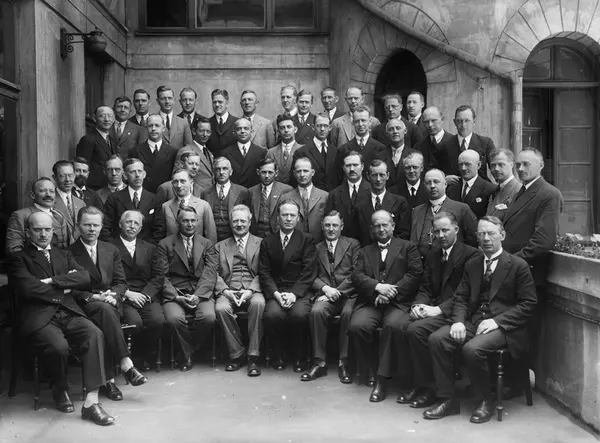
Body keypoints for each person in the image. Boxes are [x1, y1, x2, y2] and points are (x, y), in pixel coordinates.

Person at [424, 216, 537, 423]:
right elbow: (461, 297)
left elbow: (528, 304)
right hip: (475, 322)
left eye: (491, 233)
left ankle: (486, 400)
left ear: (502, 235)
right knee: (437, 340)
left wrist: (497, 322)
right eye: (481, 234)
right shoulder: (473, 264)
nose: (486, 238)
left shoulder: (517, 265)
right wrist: (458, 321)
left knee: (472, 349)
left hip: (506, 328)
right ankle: (448, 400)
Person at [9, 211, 114, 426]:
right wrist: (65, 287)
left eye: (47, 229)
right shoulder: (19, 258)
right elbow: (28, 289)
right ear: (28, 232)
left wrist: (51, 282)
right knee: (59, 347)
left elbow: (84, 277)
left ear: (53, 231)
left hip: (69, 311)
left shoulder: (63, 254)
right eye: (37, 230)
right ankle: (60, 388)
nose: (43, 234)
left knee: (94, 334)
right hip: (38, 316)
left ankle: (91, 402)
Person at [399, 212, 479, 408]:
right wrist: (418, 305)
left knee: (418, 331)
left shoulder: (471, 255)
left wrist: (438, 310)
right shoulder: (433, 254)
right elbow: (425, 287)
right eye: (436, 231)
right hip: (435, 309)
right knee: (403, 326)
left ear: (456, 230)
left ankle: (434, 389)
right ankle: (423, 385)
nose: (441, 235)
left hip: (459, 312)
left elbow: (466, 294)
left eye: (445, 230)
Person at [70, 207, 148, 402]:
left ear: (101, 226)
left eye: (96, 225)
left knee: (106, 314)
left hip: (111, 302)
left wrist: (114, 295)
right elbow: (71, 289)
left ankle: (110, 379)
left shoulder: (110, 249)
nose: (92, 229)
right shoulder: (69, 253)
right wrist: (94, 297)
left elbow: (121, 282)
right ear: (78, 226)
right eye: (87, 225)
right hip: (85, 304)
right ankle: (125, 365)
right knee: (104, 314)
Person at [348, 210, 422, 402]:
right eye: (377, 226)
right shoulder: (365, 251)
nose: (381, 229)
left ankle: (382, 381)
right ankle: (371, 370)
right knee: (358, 326)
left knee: (393, 327)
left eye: (385, 225)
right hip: (372, 301)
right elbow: (357, 275)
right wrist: (377, 287)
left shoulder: (408, 247)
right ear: (372, 229)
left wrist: (391, 292)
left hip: (398, 302)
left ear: (393, 226)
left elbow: (414, 274)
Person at [156, 206, 218, 371]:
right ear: (178, 222)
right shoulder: (165, 244)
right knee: (174, 319)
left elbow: (210, 273)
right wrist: (175, 296)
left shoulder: (207, 244)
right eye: (185, 220)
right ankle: (188, 355)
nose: (190, 224)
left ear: (197, 222)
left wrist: (198, 295)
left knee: (208, 317)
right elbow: (161, 276)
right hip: (175, 293)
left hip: (200, 292)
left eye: (192, 220)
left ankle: (188, 351)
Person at [301, 211, 360, 384]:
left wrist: (338, 291)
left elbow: (357, 274)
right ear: (322, 226)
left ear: (342, 226)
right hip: (325, 294)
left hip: (349, 294)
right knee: (316, 312)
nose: (331, 229)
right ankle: (319, 362)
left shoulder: (353, 244)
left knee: (348, 314)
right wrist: (326, 289)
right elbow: (310, 275)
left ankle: (344, 362)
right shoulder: (315, 247)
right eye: (327, 225)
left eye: (335, 225)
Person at [259, 199, 317, 372]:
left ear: (298, 218)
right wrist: (276, 294)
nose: (289, 219)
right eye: (285, 215)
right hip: (277, 291)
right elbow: (264, 272)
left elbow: (309, 271)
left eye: (292, 215)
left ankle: (299, 357)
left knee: (299, 315)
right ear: (278, 217)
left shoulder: (306, 240)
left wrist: (294, 294)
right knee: (272, 315)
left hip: (298, 291)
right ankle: (277, 356)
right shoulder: (268, 241)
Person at [214, 205, 265, 377]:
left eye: (243, 221)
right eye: (235, 221)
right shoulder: (220, 246)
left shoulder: (261, 243)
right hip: (228, 289)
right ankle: (237, 353)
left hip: (253, 289)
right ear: (230, 223)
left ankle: (253, 356)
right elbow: (213, 273)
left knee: (258, 304)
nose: (239, 224)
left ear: (250, 222)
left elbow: (264, 272)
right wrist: (225, 291)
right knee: (221, 308)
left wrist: (250, 291)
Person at [112, 210, 165, 369]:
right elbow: (107, 277)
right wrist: (127, 294)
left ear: (141, 228)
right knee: (135, 323)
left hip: (145, 295)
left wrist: (145, 295)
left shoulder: (150, 248)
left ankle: (144, 355)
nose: (132, 226)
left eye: (136, 223)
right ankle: (131, 358)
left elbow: (158, 276)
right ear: (120, 224)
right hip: (124, 296)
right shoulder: (109, 247)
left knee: (157, 320)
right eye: (128, 222)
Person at [411, 169, 478, 259]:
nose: (432, 186)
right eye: (428, 183)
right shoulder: (417, 211)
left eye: (436, 182)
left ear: (445, 184)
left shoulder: (462, 209)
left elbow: (473, 241)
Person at [6, 178, 72, 253]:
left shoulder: (59, 215)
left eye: (52, 191)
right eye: (42, 191)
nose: (48, 195)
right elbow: (14, 249)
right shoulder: (20, 216)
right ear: (32, 195)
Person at [101, 158, 159, 243]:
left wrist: (148, 248)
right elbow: (105, 226)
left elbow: (159, 229)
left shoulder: (154, 199)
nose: (137, 175)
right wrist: (114, 247)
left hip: (147, 247)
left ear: (144, 174)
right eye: (133, 172)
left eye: (140, 171)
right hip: (119, 247)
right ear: (125, 175)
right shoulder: (114, 198)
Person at [153, 169, 217, 244]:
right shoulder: (165, 207)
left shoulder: (203, 206)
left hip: (197, 249)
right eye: (175, 182)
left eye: (182, 181)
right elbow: (160, 235)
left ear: (191, 183)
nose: (179, 185)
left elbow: (211, 235)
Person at [354, 160, 410, 245]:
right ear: (368, 176)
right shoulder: (359, 207)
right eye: (374, 175)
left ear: (388, 175)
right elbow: (356, 236)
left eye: (382, 175)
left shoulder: (400, 203)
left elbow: (403, 234)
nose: (378, 179)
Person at [201, 157, 251, 242]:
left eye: (225, 169)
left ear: (231, 172)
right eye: (218, 169)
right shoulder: (205, 193)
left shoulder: (242, 192)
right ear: (213, 172)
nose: (221, 172)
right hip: (211, 238)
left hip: (234, 238)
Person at [324, 151, 370, 240]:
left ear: (362, 166)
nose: (352, 169)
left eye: (355, 165)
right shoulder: (334, 194)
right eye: (348, 165)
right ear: (343, 168)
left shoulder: (372, 191)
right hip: (343, 244)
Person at [334, 105, 386, 184]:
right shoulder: (343, 149)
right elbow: (337, 177)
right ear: (352, 122)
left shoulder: (380, 148)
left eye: (363, 120)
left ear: (370, 121)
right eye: (357, 121)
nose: (360, 124)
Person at [282, 157, 328, 243]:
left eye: (305, 171)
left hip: (318, 244)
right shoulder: (286, 197)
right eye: (299, 171)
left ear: (313, 172)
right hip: (294, 244)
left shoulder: (324, 196)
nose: (302, 175)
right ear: (294, 173)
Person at [128, 114, 178, 194]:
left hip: (164, 195)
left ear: (163, 128)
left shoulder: (173, 152)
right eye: (150, 126)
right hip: (143, 196)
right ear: (146, 128)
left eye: (157, 125)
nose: (153, 129)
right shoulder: (135, 151)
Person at [290, 113, 338, 191]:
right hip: (311, 196)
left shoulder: (335, 151)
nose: (322, 129)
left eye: (325, 126)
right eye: (319, 126)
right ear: (313, 127)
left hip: (332, 195)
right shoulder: (302, 152)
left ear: (330, 128)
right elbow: (294, 180)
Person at [248, 157, 293, 238]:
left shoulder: (286, 190)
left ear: (276, 173)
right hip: (256, 236)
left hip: (277, 235)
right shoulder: (251, 192)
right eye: (263, 172)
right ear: (258, 172)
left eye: (270, 172)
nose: (266, 176)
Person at [76, 106, 118, 190]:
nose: (107, 119)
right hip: (94, 187)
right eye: (102, 116)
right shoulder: (88, 140)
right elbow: (83, 166)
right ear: (94, 118)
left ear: (114, 119)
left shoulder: (112, 140)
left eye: (110, 116)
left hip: (110, 186)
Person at [414, 107, 458, 185]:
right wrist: (443, 179)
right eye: (426, 122)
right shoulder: (418, 147)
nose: (430, 125)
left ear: (442, 119)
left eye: (433, 121)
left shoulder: (455, 142)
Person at [450, 105, 496, 180]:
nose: (463, 125)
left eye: (467, 121)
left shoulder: (486, 143)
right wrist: (445, 177)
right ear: (454, 122)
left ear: (474, 122)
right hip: (454, 186)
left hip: (480, 186)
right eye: (459, 121)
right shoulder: (445, 144)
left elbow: (495, 167)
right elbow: (437, 169)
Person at [446, 150, 496, 219]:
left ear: (478, 165)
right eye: (461, 164)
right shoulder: (451, 189)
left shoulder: (490, 189)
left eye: (467, 164)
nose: (463, 168)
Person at [222, 117, 267, 189]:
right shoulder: (225, 153)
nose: (242, 131)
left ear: (252, 131)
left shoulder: (261, 152)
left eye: (246, 128)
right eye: (239, 129)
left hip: (254, 192)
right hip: (235, 192)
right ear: (234, 133)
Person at [176, 117, 215, 190]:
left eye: (208, 131)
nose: (205, 134)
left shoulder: (209, 153)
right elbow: (177, 177)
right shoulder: (185, 151)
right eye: (202, 131)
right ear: (194, 131)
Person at [378, 118, 418, 188]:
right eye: (391, 129)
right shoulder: (379, 157)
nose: (395, 131)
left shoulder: (415, 155)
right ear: (386, 134)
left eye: (398, 128)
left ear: (405, 131)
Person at [52, 160, 86, 243]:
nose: (67, 180)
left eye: (70, 175)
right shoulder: (50, 202)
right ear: (55, 178)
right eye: (63, 176)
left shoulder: (80, 203)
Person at [266, 114, 303, 184]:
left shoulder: (303, 150)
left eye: (289, 127)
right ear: (278, 131)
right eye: (282, 128)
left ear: (295, 129)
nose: (286, 130)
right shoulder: (271, 153)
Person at [486, 148, 521, 220]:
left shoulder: (519, 191)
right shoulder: (494, 190)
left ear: (512, 165)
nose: (496, 169)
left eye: (501, 164)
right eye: (493, 165)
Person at [156, 85, 193, 150]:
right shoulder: (151, 121)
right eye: (163, 99)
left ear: (174, 100)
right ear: (158, 101)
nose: (167, 101)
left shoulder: (183, 123)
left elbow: (189, 148)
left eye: (170, 98)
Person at [207, 89, 239, 156]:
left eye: (220, 102)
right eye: (214, 102)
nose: (217, 105)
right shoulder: (207, 123)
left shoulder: (237, 122)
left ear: (227, 104)